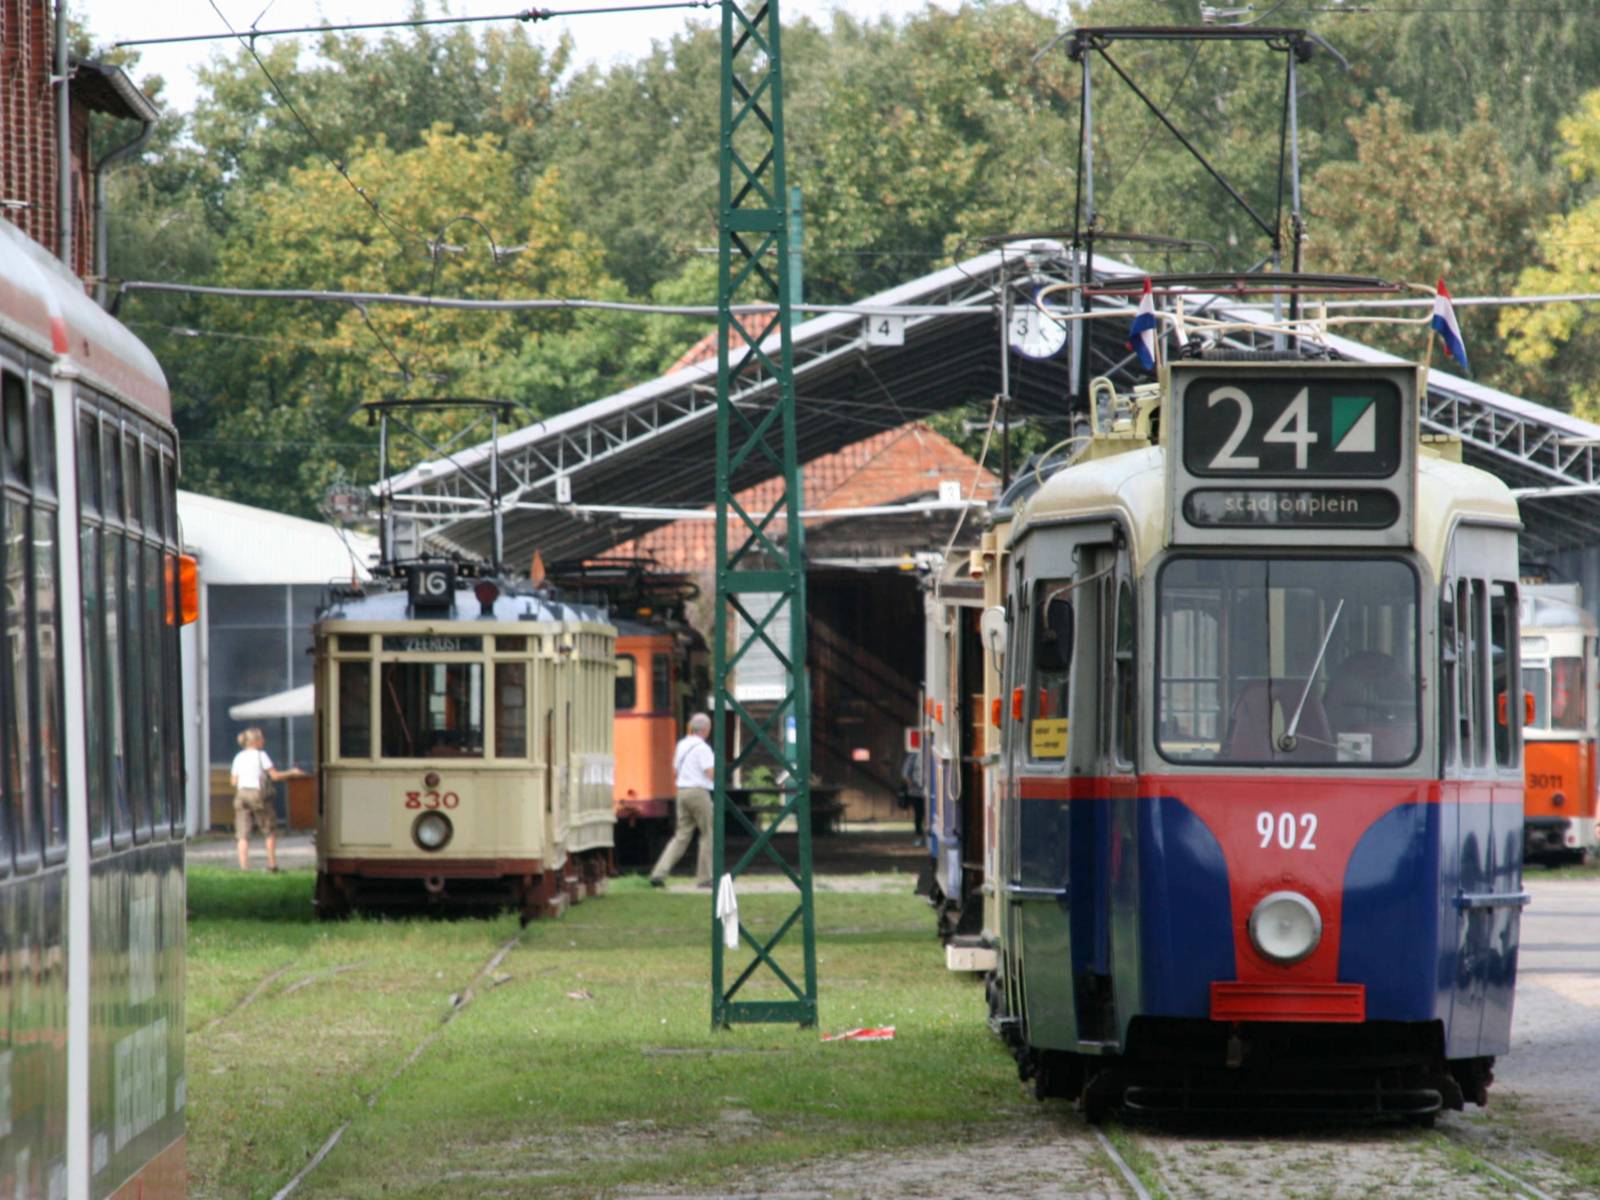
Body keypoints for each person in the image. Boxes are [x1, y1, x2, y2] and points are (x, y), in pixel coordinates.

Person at [650, 712, 715, 889]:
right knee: (708, 833)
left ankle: (659, 873)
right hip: (699, 792)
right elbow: (709, 771)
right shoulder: (703, 748)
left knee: (682, 835)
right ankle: (705, 877)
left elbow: (675, 769)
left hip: (682, 792)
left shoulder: (682, 745)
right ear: (705, 729)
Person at [230, 727, 301, 872]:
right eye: (261, 738)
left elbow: (233, 781)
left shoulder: (238, 757)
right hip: (258, 795)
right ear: (255, 741)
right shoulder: (261, 755)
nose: (264, 740)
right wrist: (292, 773)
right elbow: (275, 776)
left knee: (242, 833)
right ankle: (272, 865)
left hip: (241, 795)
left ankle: (244, 868)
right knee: (269, 830)